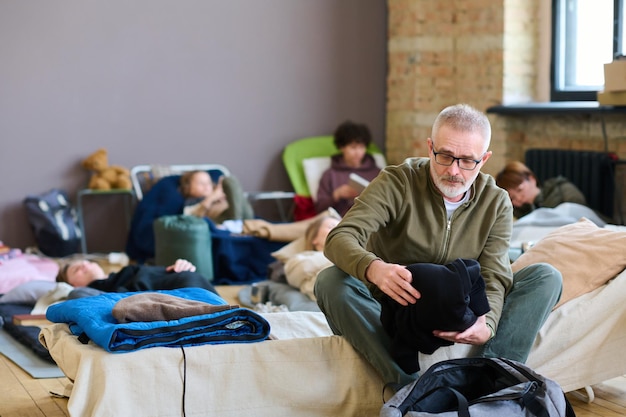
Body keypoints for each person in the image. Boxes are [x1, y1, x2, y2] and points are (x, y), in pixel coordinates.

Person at [314, 104, 563, 389]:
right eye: (444, 156)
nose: (454, 170)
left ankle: (489, 380)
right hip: (393, 305)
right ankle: (409, 388)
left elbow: (495, 274)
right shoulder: (397, 182)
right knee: (330, 281)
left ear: (484, 159)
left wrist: (489, 324)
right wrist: (374, 268)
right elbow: (339, 237)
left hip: (461, 305)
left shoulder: (496, 202)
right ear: (430, 147)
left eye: (467, 160)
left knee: (546, 277)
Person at [316, 120, 382, 216]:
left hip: (369, 219)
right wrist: (336, 195)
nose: (358, 152)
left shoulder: (378, 173)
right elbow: (319, 208)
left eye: (361, 147)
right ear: (341, 147)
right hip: (337, 221)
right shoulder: (330, 174)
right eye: (353, 147)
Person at [56, 258, 219, 295]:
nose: (84, 265)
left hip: (187, 280)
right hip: (181, 292)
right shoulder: (94, 291)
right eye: (76, 269)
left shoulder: (116, 276)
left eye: (86, 261)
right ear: (73, 284)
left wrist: (182, 265)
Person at [495, 160, 586, 219]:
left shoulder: (562, 189)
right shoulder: (519, 212)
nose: (519, 198)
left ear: (531, 179)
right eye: (512, 198)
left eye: (520, 190)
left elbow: (581, 216)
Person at [283, 215, 340, 300]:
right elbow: (301, 269)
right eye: (331, 227)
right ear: (314, 238)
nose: (340, 231)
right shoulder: (300, 260)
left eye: (342, 228)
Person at [180, 170, 253, 227]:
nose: (206, 186)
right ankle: (235, 222)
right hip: (222, 220)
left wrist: (227, 195)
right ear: (188, 187)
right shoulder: (191, 202)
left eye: (208, 183)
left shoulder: (219, 195)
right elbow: (193, 218)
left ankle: (237, 222)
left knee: (229, 181)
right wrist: (212, 198)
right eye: (201, 183)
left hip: (241, 215)